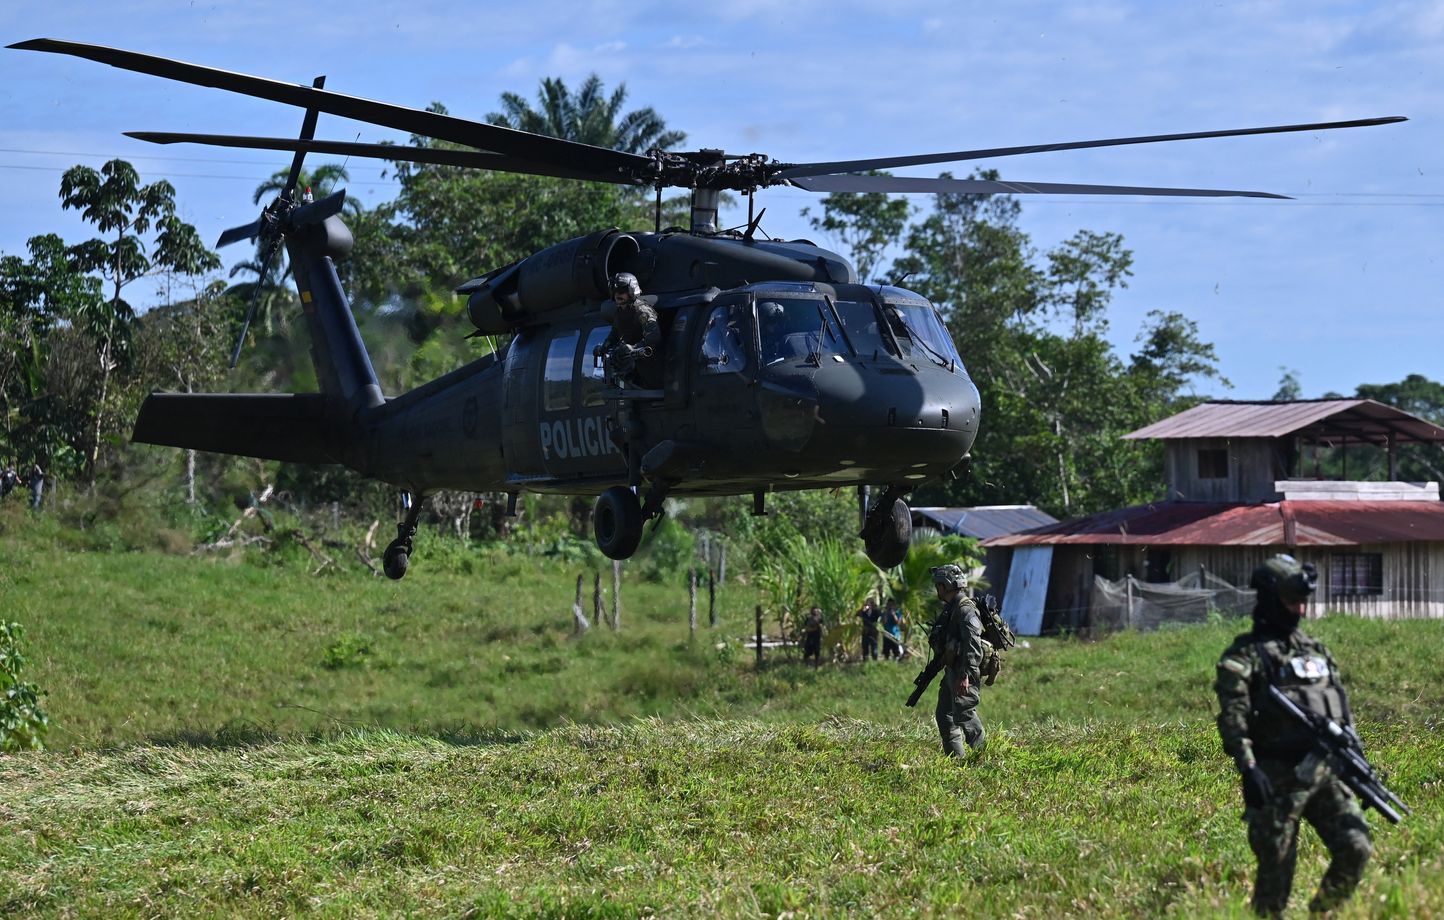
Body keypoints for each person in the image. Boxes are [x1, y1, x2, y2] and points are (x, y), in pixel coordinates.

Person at [1215, 554, 1372, 918]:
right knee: (1276, 877)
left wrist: (1360, 765)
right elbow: (1233, 719)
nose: (1299, 610)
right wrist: (1249, 769)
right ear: (1270, 600)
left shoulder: (1317, 652)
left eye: (1303, 602)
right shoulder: (1245, 656)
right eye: (1291, 601)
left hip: (1324, 773)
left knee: (1356, 846)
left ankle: (1322, 914)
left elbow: (1341, 712)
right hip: (1275, 778)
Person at [928, 563, 986, 758]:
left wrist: (965, 675)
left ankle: (984, 758)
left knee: (965, 714)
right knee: (945, 715)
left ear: (944, 586)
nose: (937, 589)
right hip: (953, 670)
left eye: (938, 585)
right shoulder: (951, 608)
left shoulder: (965, 610)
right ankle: (956, 761)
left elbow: (973, 645)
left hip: (964, 672)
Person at [598, 272, 662, 389]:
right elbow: (615, 332)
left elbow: (654, 336)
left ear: (631, 291)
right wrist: (606, 344)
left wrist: (634, 348)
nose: (618, 294)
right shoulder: (619, 312)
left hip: (646, 360)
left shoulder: (642, 310)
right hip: (630, 361)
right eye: (615, 291)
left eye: (622, 291)